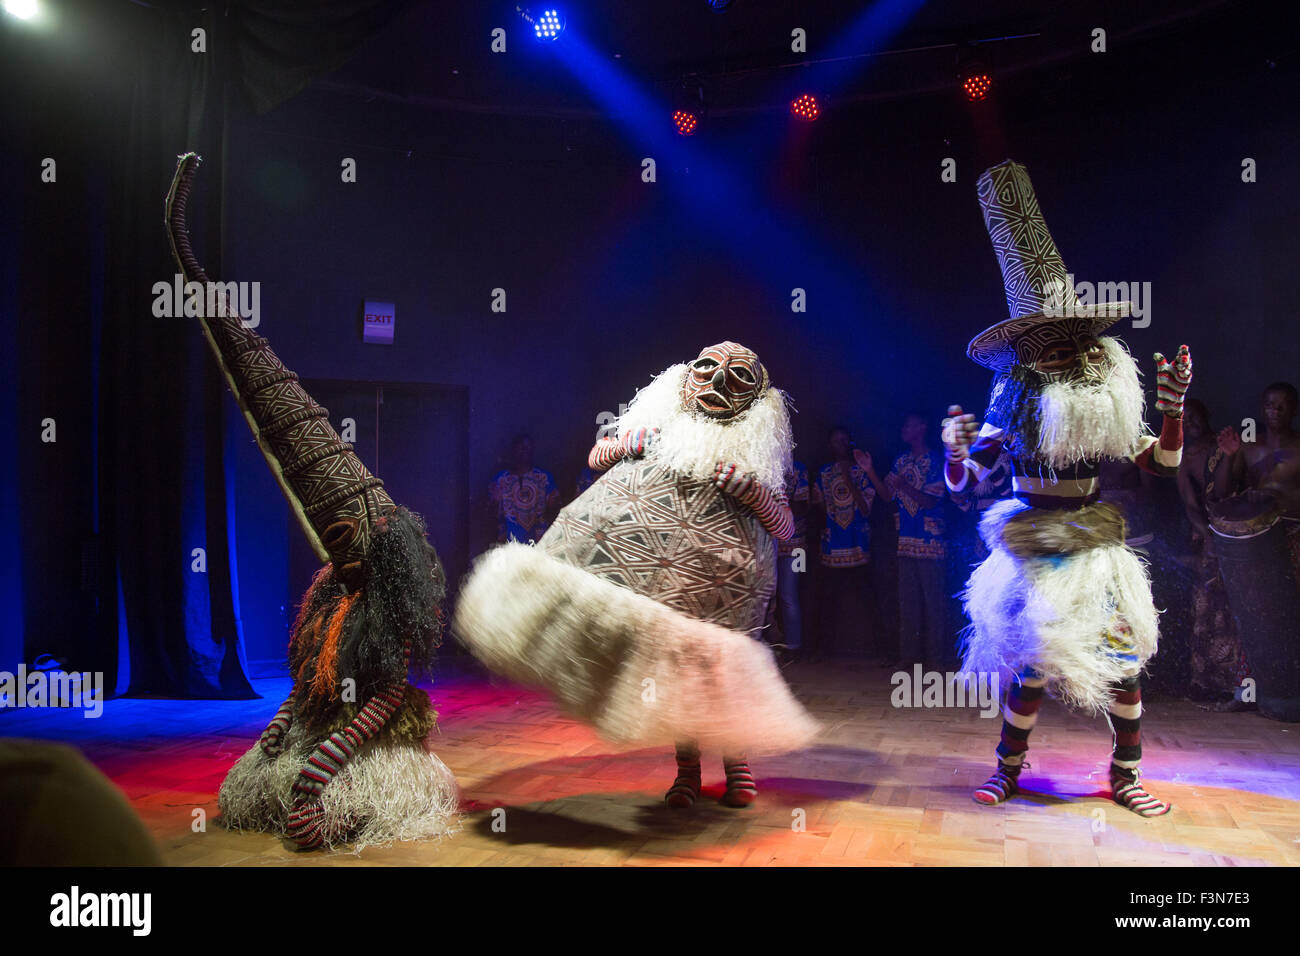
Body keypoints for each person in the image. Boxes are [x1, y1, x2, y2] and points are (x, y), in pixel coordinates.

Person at [165, 154, 457, 851]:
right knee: (254, 794)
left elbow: (386, 692)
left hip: (364, 747)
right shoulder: (334, 593)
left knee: (320, 806)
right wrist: (281, 733)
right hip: (320, 729)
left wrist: (324, 766)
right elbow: (307, 682)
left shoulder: (388, 592)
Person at [454, 342, 817, 810]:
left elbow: (786, 528)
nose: (720, 384)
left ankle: (737, 764)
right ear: (686, 378)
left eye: (737, 379)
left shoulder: (756, 460)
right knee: (676, 666)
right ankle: (687, 770)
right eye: (708, 370)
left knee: (723, 666)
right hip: (666, 580)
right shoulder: (662, 428)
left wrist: (754, 494)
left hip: (730, 587)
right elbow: (597, 456)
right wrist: (625, 444)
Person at [945, 160, 1191, 817]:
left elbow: (1161, 465)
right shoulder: (1012, 409)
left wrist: (1172, 411)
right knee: (1028, 671)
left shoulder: (1103, 404)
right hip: (1031, 552)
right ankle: (1008, 770)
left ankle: (1127, 774)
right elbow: (967, 480)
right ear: (1027, 359)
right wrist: (955, 452)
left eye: (1080, 346)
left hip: (1091, 549)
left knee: (1121, 666)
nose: (1075, 361)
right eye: (1054, 349)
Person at [1177, 399, 1250, 704]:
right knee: (1205, 609)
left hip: (1235, 532)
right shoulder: (1182, 459)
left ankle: (1233, 683)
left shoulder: (1226, 446)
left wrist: (1223, 533)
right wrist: (1208, 535)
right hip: (1209, 538)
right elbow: (1192, 506)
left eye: (1195, 415)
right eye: (1184, 418)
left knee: (1232, 613)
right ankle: (1203, 681)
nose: (1190, 421)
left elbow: (1228, 491)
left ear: (1207, 415)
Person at [809, 428, 889, 658]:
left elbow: (865, 508)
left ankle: (883, 652)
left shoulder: (860, 471)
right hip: (832, 547)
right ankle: (822, 652)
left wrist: (847, 479)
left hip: (858, 547)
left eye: (844, 441)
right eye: (835, 441)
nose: (840, 445)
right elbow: (821, 507)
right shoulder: (824, 473)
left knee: (869, 602)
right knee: (827, 602)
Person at [886, 413, 949, 667]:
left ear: (922, 427)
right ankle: (908, 659)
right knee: (907, 603)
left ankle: (935, 660)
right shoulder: (900, 460)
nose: (904, 428)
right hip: (905, 541)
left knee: (933, 603)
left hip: (930, 542)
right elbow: (886, 494)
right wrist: (869, 470)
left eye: (909, 424)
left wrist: (904, 486)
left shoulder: (935, 461)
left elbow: (931, 500)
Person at [488, 434, 560, 545]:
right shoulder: (500, 479)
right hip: (508, 543)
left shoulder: (544, 478)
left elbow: (554, 510)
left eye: (527, 448)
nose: (524, 452)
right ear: (513, 451)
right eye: (520, 448)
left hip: (538, 542)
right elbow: (491, 511)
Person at [771, 460, 810, 659]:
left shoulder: (799, 470)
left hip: (797, 546)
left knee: (792, 593)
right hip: (772, 544)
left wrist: (779, 501)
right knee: (771, 595)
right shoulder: (768, 467)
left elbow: (803, 507)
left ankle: (796, 646)